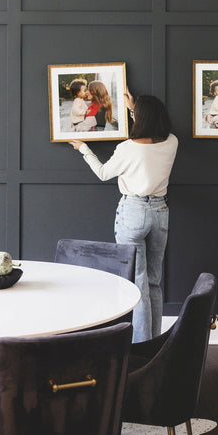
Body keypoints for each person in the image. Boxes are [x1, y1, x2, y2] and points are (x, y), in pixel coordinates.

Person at [69, 89, 178, 343]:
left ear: (140, 118)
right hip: (160, 212)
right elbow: (150, 128)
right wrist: (133, 109)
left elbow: (103, 173)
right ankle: (153, 343)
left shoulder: (127, 148)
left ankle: (140, 345)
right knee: (153, 282)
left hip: (133, 212)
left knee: (137, 284)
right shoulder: (172, 142)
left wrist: (85, 149)